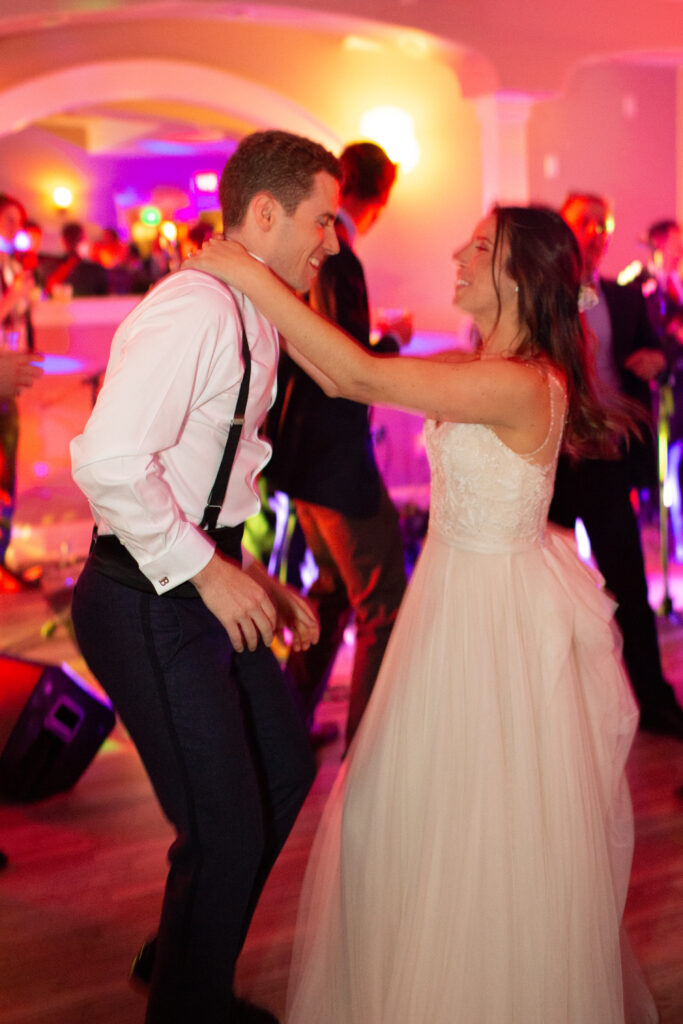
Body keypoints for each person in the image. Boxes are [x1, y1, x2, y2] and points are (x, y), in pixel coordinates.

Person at [186, 205, 659, 1024]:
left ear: (519, 275)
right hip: (453, 599)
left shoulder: (515, 382)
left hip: (489, 621)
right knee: (395, 819)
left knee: (469, 833)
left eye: (479, 247)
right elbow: (344, 370)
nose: (457, 253)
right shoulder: (486, 365)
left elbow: (359, 377)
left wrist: (246, 272)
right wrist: (264, 294)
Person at [69, 129, 342, 1024]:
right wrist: (208, 576)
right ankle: (190, 999)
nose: (332, 241)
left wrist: (249, 578)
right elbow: (108, 461)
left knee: (285, 770)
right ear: (263, 214)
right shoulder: (195, 309)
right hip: (140, 600)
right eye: (322, 219)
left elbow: (203, 478)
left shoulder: (255, 308)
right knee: (223, 832)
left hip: (194, 582)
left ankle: (187, 955)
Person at [266, 142, 409, 749]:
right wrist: (394, 341)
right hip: (333, 461)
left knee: (328, 595)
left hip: (300, 457)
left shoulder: (307, 254)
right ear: (376, 196)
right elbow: (345, 363)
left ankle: (281, 732)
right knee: (383, 604)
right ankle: (369, 751)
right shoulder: (340, 257)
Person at [548, 193, 683, 740]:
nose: (598, 234)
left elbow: (663, 349)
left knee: (629, 587)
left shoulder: (624, 298)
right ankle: (556, 712)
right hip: (552, 470)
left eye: (604, 226)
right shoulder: (543, 296)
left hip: (606, 467)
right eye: (586, 224)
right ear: (564, 228)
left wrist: (657, 360)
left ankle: (653, 700)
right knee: (549, 593)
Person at [0, 193, 39, 590]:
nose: (15, 228)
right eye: (9, 219)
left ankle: (2, 556)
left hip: (6, 381)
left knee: (7, 476)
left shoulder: (9, 265)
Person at [638, 219, 683, 557]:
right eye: (676, 243)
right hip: (662, 396)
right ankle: (673, 544)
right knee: (667, 470)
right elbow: (655, 335)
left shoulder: (678, 288)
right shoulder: (646, 287)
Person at [45, 221, 109, 297]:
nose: (74, 242)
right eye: (72, 239)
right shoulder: (97, 270)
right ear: (84, 240)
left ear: (63, 241)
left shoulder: (49, 268)